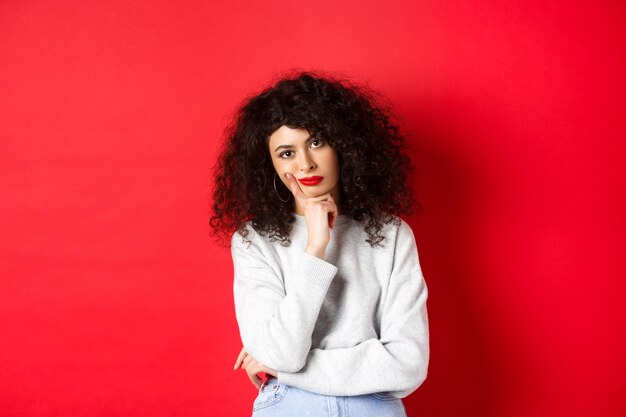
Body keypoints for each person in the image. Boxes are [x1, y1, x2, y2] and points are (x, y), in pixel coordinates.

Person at [209, 70, 429, 417]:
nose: (305, 163)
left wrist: (286, 372)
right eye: (286, 153)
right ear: (270, 165)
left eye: (316, 142)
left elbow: (408, 365)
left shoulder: (391, 234)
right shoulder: (255, 241)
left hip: (372, 409)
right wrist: (316, 247)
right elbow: (283, 351)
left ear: (343, 144)